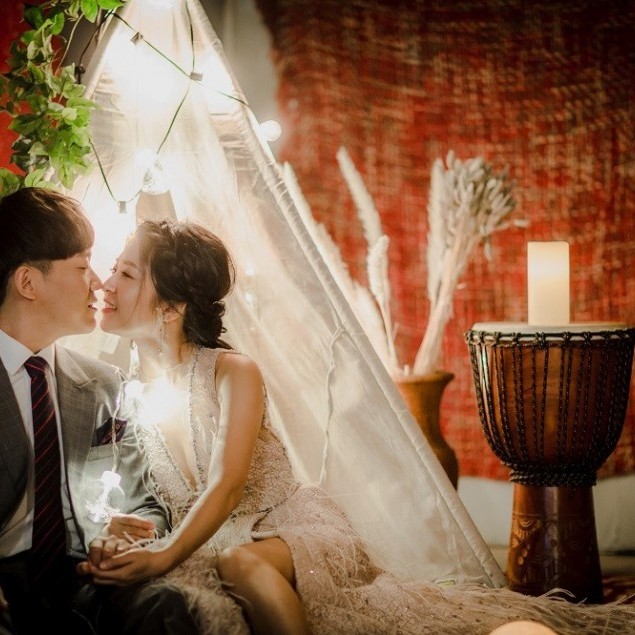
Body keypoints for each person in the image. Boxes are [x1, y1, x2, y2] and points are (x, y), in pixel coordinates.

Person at [82, 218, 635, 635]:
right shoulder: (124, 392)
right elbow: (156, 497)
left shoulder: (232, 372)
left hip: (285, 532)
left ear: (172, 306)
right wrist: (140, 528)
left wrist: (166, 554)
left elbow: (226, 488)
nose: (105, 282)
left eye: (126, 273)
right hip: (203, 544)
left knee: (239, 562)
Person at [0, 188, 198, 634]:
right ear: (28, 283)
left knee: (168, 605)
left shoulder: (105, 384)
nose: (97, 283)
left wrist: (126, 534)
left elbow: (147, 502)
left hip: (88, 574)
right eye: (81, 266)